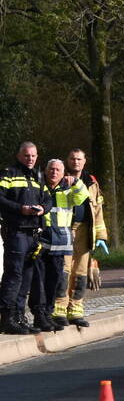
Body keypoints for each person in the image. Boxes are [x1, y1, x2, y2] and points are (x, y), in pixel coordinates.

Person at [0, 142, 52, 335]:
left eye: (33, 156)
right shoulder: (8, 174)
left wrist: (42, 209)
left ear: (37, 157)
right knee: (14, 275)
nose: (30, 159)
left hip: (33, 233)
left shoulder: (38, 176)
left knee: (27, 277)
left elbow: (48, 200)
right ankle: (7, 318)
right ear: (19, 155)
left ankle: (20, 317)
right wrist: (19, 209)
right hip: (16, 231)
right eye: (26, 155)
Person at [33, 159, 89, 331]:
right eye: (51, 169)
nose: (54, 172)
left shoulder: (68, 190)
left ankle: (50, 315)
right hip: (41, 241)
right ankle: (41, 316)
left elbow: (82, 197)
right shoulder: (38, 187)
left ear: (64, 173)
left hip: (60, 242)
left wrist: (77, 182)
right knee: (39, 282)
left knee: (56, 281)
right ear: (45, 170)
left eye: (58, 170)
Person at [55, 148, 109, 328]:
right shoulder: (60, 178)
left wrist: (101, 235)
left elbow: (98, 210)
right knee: (63, 271)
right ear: (67, 161)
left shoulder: (91, 182)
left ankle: (76, 310)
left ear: (84, 162)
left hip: (86, 231)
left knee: (80, 272)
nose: (75, 162)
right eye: (72, 159)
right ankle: (59, 310)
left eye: (79, 159)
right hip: (66, 230)